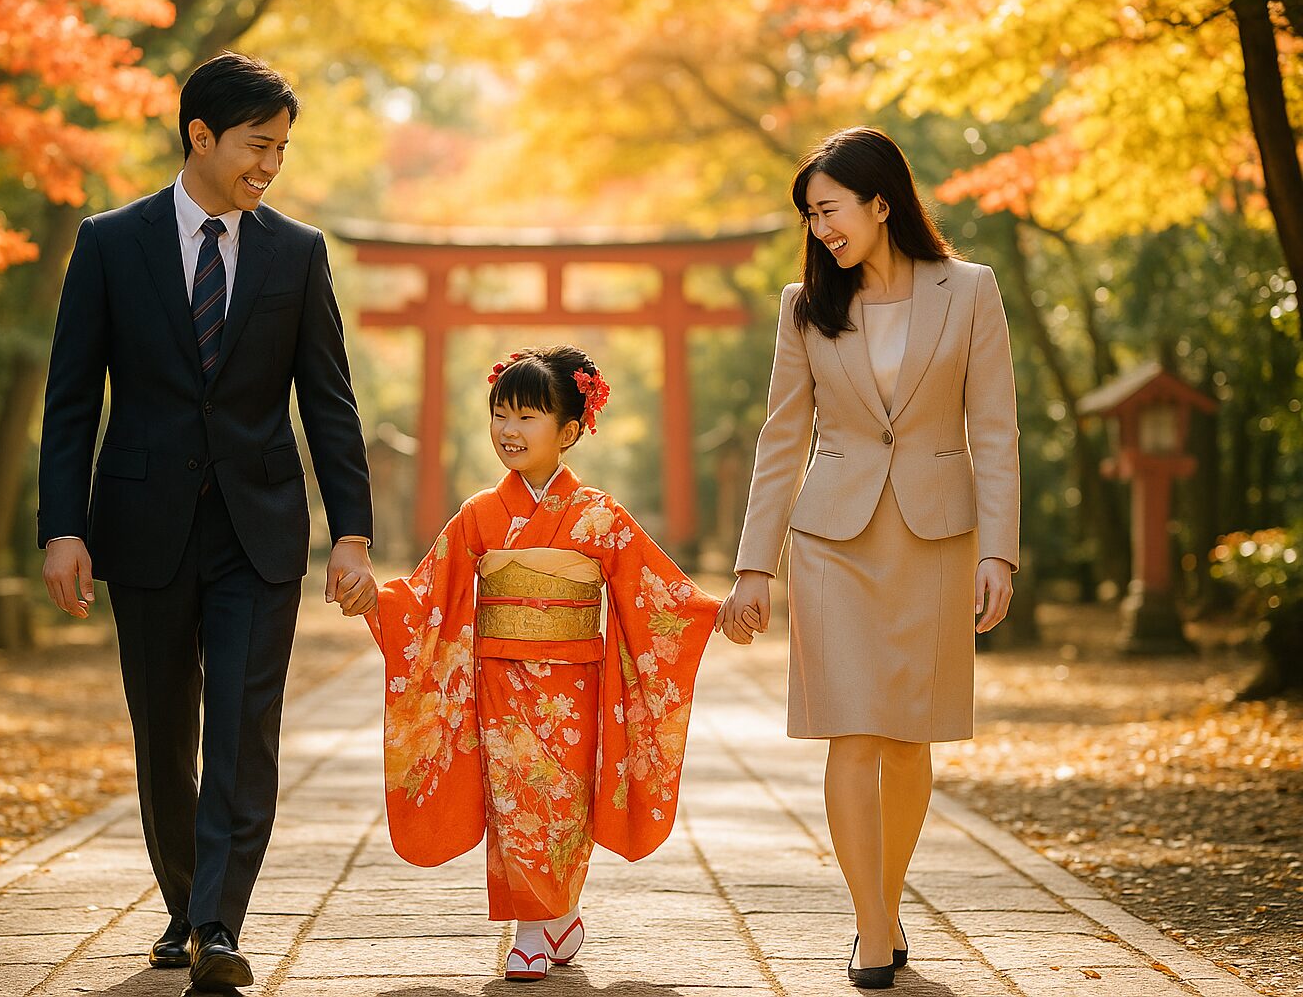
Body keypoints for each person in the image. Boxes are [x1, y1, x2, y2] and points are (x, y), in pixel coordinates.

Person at [37, 52, 376, 992]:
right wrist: (62, 526)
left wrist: (352, 529)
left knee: (241, 727)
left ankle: (219, 925)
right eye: (257, 146)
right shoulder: (111, 243)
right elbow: (72, 399)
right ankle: (186, 902)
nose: (270, 166)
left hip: (258, 528)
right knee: (163, 730)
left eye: (281, 149)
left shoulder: (295, 252)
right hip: (141, 524)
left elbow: (331, 402)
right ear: (200, 136)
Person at [717, 127, 1020, 989]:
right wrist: (754, 565)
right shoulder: (804, 306)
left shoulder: (970, 291)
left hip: (937, 536)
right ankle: (873, 929)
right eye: (810, 217)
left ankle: (884, 907)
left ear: (880, 202)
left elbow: (995, 429)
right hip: (831, 541)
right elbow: (783, 439)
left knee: (907, 740)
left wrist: (998, 551)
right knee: (849, 733)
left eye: (830, 210)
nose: (820, 231)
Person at [358, 346, 728, 982]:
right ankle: (534, 926)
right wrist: (377, 600)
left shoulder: (600, 517)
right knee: (513, 800)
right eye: (500, 413)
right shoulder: (479, 514)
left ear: (570, 430)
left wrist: (712, 613)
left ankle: (553, 913)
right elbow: (430, 592)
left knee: (564, 800)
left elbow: (654, 588)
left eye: (527, 416)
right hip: (499, 680)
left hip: (574, 684)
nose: (508, 429)